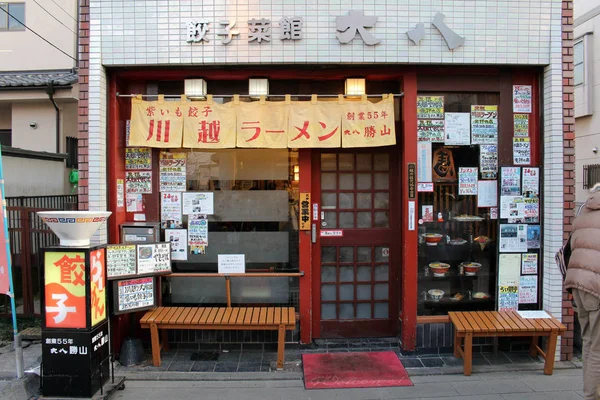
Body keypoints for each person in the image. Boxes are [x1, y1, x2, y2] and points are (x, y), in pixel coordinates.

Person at [565, 183, 600, 400]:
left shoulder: (583, 211)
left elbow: (571, 246)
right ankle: (592, 395)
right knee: (598, 347)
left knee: (589, 342)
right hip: (596, 286)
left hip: (579, 284)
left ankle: (590, 392)